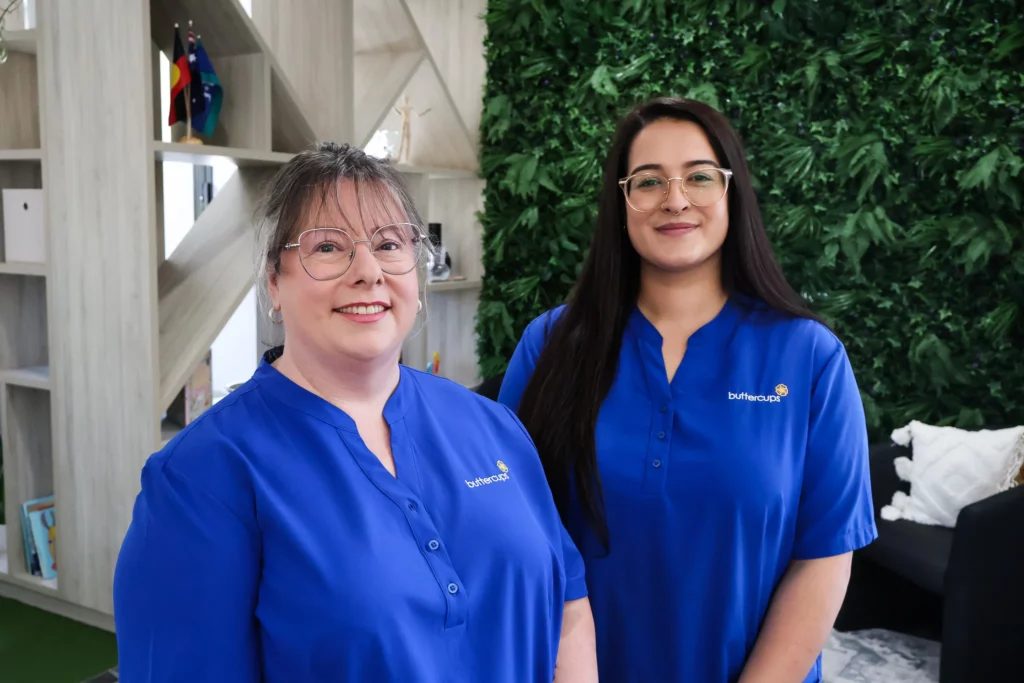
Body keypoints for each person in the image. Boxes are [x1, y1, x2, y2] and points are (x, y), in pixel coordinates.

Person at [112, 142, 598, 683]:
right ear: (275, 281)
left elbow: (569, 611)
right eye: (328, 248)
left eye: (390, 244)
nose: (368, 272)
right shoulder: (201, 478)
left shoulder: (493, 428)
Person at [498, 97, 877, 683]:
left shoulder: (809, 357)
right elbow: (510, 530)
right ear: (621, 203)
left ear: (732, 193)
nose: (675, 200)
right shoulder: (551, 343)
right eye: (648, 182)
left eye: (700, 176)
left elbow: (824, 557)